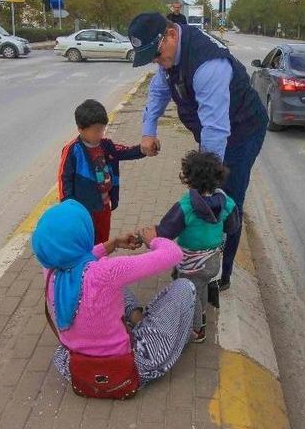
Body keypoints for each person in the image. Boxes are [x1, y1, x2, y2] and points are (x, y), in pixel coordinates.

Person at [128, 12, 268, 292]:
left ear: (170, 34)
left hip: (242, 133)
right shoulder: (169, 55)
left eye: (156, 55)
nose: (157, 62)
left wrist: (207, 181)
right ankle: (196, 262)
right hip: (213, 130)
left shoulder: (208, 65)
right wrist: (148, 130)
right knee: (205, 198)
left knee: (225, 202)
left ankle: (218, 275)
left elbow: (216, 130)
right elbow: (158, 90)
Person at [33, 200, 196, 387]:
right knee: (184, 287)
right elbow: (173, 254)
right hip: (127, 368)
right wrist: (154, 239)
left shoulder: (50, 270)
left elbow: (75, 259)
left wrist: (113, 244)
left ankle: (134, 316)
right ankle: (145, 326)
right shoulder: (107, 272)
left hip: (76, 367)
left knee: (111, 289)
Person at [155, 151, 240, 343]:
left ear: (188, 178)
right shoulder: (227, 202)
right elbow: (233, 227)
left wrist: (148, 237)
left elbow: (166, 231)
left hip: (191, 263)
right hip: (212, 261)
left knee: (189, 294)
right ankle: (201, 315)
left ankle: (196, 331)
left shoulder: (186, 206)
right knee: (200, 287)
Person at [59, 99, 146, 244]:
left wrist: (143, 149)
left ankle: (101, 266)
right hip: (83, 210)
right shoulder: (73, 150)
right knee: (86, 243)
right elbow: (64, 180)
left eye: (101, 129)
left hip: (104, 206)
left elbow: (124, 151)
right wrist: (69, 209)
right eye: (95, 130)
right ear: (81, 129)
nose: (99, 134)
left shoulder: (106, 145)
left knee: (102, 242)